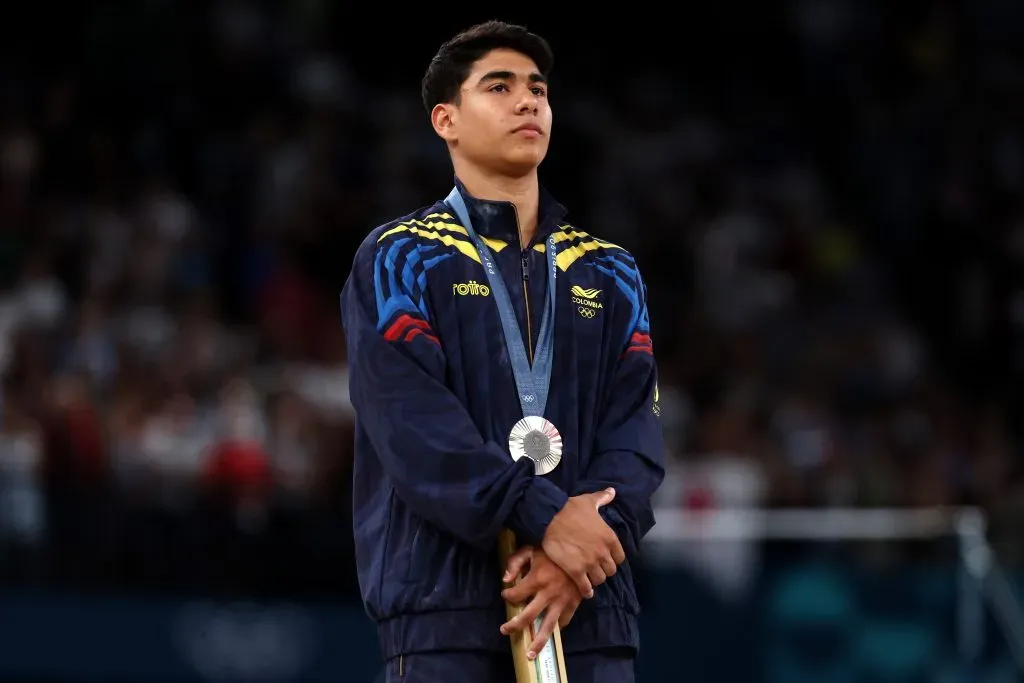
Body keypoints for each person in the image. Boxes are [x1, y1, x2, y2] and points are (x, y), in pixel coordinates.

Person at [340, 20, 664, 683]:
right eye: (500, 86)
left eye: (538, 89)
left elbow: (635, 435)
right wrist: (554, 523)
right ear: (445, 120)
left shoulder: (610, 270)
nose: (528, 102)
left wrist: (579, 557)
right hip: (445, 607)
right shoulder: (401, 256)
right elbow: (418, 433)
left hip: (590, 612)